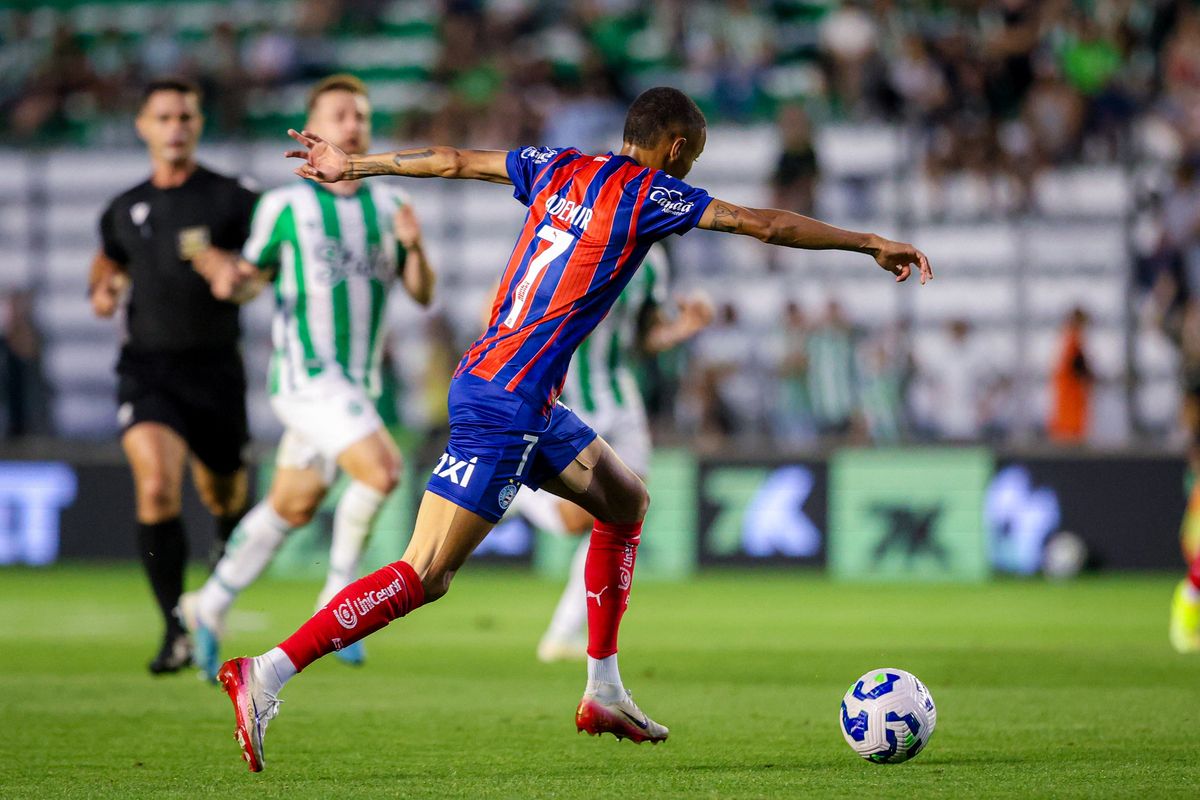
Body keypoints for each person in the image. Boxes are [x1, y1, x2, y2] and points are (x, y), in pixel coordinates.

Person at [215, 86, 931, 772]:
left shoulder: (556, 164)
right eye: (694, 158)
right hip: (509, 398)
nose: (691, 171)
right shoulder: (652, 192)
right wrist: (869, 241)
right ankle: (267, 671)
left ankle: (603, 689)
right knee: (425, 573)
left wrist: (357, 164)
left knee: (625, 502)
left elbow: (455, 161)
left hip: (512, 387)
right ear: (676, 148)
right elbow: (764, 224)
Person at [182, 74, 435, 681]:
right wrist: (229, 278)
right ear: (315, 125)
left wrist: (417, 250)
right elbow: (250, 279)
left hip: (358, 384)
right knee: (384, 470)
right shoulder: (285, 205)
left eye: (360, 114)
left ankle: (208, 603)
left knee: (292, 505)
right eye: (339, 113)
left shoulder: (389, 206)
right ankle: (336, 595)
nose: (352, 123)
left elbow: (422, 295)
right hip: (306, 379)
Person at [90, 78, 257, 675]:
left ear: (199, 122)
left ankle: (212, 600)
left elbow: (269, 266)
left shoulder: (232, 198)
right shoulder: (122, 207)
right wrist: (102, 288)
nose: (175, 126)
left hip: (215, 368)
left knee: (225, 497)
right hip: (149, 369)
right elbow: (109, 258)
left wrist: (238, 275)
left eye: (185, 115)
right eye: (163, 117)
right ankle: (174, 629)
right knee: (157, 485)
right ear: (143, 126)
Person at [504, 242, 714, 662]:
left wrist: (683, 328)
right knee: (574, 521)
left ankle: (563, 633)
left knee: (626, 509)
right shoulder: (566, 239)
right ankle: (518, 490)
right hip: (570, 395)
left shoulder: (651, 259)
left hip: (622, 396)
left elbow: (644, 336)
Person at [1047, 306, 1093, 443]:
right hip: (1070, 407)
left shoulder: (1066, 340)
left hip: (1068, 405)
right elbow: (1080, 370)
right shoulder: (1072, 342)